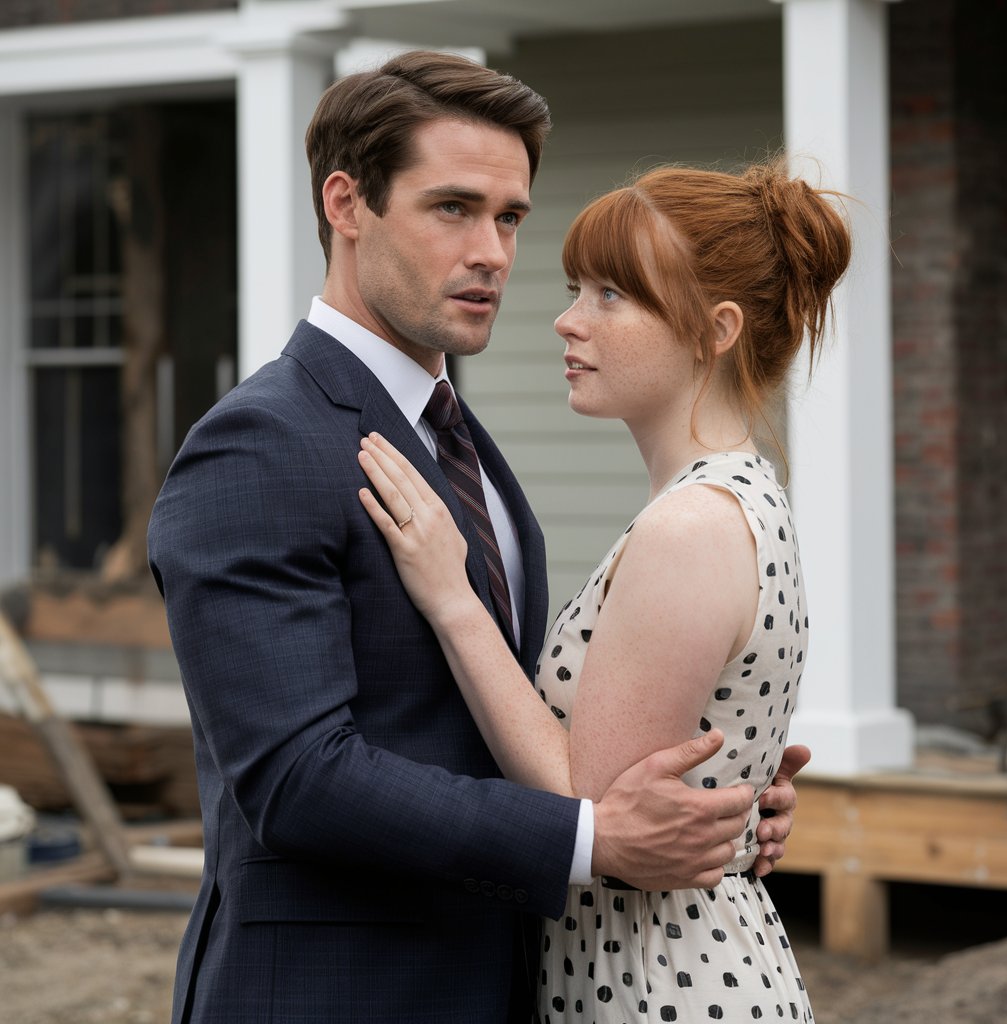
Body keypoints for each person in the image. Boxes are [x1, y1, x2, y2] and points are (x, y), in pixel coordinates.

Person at [147, 51, 805, 1024]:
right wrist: (594, 837)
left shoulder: (465, 446)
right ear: (347, 203)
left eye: (509, 217)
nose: (493, 252)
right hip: (341, 997)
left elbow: (508, 717)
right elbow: (294, 778)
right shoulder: (257, 444)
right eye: (453, 208)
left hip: (509, 984)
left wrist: (719, 794)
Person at [358, 159, 849, 1023]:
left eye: (611, 296)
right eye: (575, 290)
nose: (568, 320)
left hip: (663, 984)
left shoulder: (691, 525)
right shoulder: (735, 497)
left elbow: (590, 809)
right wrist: (746, 803)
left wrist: (452, 599)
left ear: (715, 330)